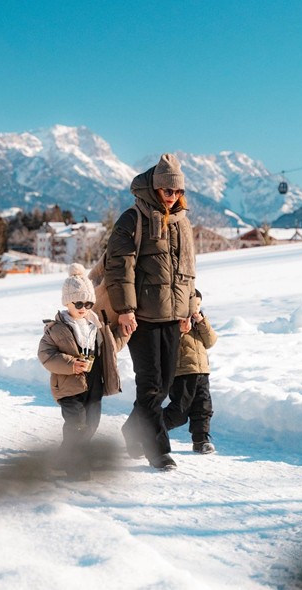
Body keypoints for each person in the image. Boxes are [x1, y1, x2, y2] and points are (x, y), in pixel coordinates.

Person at [105, 153, 196, 471]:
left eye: (178, 191)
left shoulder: (183, 223)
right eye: (168, 191)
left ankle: (133, 429)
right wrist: (126, 309)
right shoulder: (133, 218)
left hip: (174, 317)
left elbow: (188, 270)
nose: (173, 197)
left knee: (165, 385)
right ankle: (158, 450)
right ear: (155, 188)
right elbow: (119, 267)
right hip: (141, 317)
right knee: (150, 384)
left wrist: (187, 310)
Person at [38, 263, 123, 480]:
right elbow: (45, 355)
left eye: (88, 302)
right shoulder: (56, 328)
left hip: (94, 382)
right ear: (67, 302)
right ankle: (74, 464)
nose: (83, 307)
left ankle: (61, 456)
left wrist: (125, 332)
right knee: (77, 423)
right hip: (68, 385)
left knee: (91, 424)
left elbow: (112, 347)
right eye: (78, 302)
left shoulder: (96, 325)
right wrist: (70, 364)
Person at [164, 289, 218, 454]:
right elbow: (167, 345)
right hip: (182, 373)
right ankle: (150, 431)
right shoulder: (174, 321)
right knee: (179, 411)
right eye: (194, 305)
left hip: (202, 371)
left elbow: (211, 341)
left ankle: (201, 440)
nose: (196, 308)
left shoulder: (199, 323)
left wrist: (201, 321)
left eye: (199, 305)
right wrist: (179, 330)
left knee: (203, 407)